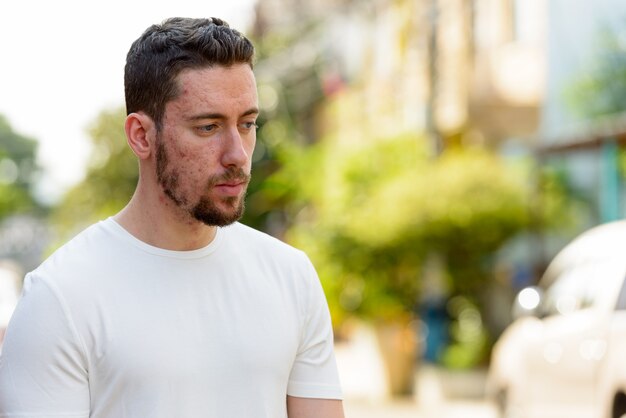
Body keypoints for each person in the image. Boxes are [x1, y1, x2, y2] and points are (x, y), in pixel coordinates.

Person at [0, 17, 344, 418]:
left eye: (247, 124)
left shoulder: (292, 277)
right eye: (208, 127)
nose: (237, 153)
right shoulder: (59, 299)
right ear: (141, 136)